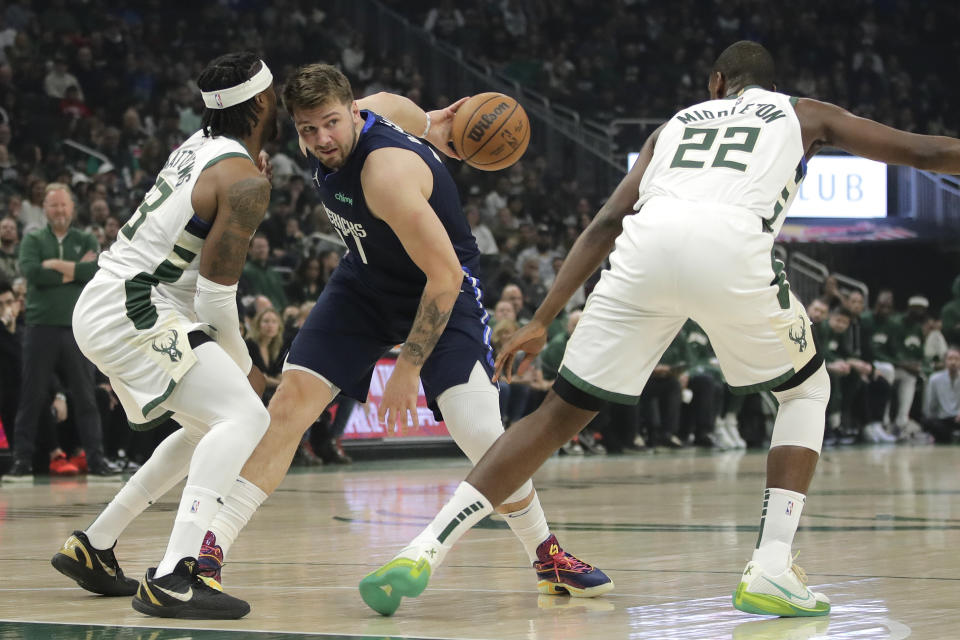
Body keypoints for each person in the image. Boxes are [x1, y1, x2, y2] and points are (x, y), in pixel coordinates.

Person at [365, 40, 960, 618]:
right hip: (730, 242)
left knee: (555, 416)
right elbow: (927, 154)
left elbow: (605, 223)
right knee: (806, 390)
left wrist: (543, 318)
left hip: (645, 246)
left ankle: (422, 550)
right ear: (769, 87)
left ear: (716, 84)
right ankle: (772, 566)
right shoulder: (802, 113)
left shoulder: (673, 125)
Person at [198, 63, 611, 613]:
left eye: (330, 124)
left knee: (480, 430)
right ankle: (210, 552)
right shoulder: (376, 111)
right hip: (365, 284)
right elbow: (437, 124)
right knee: (288, 406)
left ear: (353, 112)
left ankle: (547, 555)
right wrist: (448, 130)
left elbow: (443, 279)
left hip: (441, 287)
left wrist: (408, 371)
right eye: (307, 129)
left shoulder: (385, 176)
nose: (322, 139)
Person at [50, 52, 278, 619]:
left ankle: (94, 546)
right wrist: (244, 361)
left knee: (208, 427)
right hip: (137, 306)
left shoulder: (197, 146)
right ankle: (176, 575)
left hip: (111, 298)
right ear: (261, 105)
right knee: (246, 416)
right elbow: (215, 297)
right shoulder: (243, 178)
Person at [4, 183, 116, 481]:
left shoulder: (85, 238)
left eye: (63, 205)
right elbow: (33, 273)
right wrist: (72, 270)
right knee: (31, 396)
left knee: (86, 398)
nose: (59, 210)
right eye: (53, 205)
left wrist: (54, 266)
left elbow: (93, 272)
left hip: (77, 328)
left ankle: (97, 461)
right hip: (39, 328)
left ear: (72, 207)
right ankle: (21, 462)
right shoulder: (33, 239)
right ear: (45, 208)